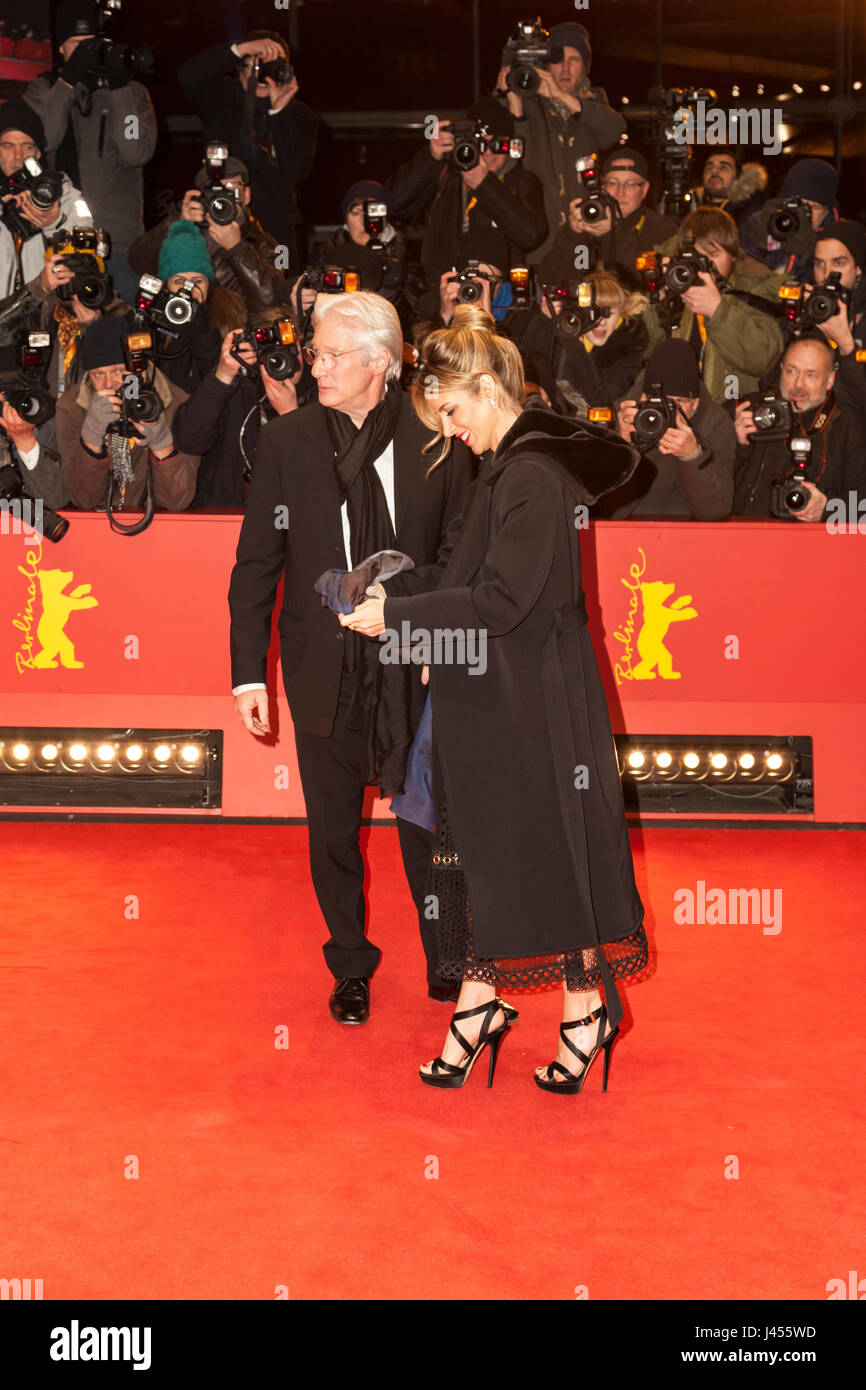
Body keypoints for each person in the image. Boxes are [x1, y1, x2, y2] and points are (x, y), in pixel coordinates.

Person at [345, 304, 648, 1090]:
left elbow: (502, 599)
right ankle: (499, 1004)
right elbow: (463, 581)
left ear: (485, 388)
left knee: (546, 851)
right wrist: (397, 600)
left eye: (449, 410)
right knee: (492, 854)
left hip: (534, 703)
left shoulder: (533, 477)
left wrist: (402, 617)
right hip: (502, 697)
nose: (448, 430)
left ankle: (578, 1009)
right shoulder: (506, 472)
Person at [227, 292, 475, 1023]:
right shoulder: (288, 441)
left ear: (380, 364)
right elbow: (256, 566)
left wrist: (428, 624)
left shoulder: (438, 435)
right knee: (332, 828)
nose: (317, 367)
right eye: (315, 353)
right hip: (322, 663)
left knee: (427, 819)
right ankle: (349, 962)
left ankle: (448, 958)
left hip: (417, 658)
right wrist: (248, 672)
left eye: (332, 356)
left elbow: (462, 549)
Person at [23, 0, 157, 304]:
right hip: (56, 239)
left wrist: (120, 87)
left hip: (118, 245)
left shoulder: (132, 94)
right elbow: (44, 141)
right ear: (60, 48)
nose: (87, 53)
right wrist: (68, 81)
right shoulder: (44, 89)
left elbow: (134, 149)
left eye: (91, 45)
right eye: (77, 46)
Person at [178, 29, 318, 272]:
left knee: (280, 300)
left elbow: (296, 171)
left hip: (274, 226)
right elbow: (188, 75)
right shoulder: (223, 99)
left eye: (271, 68)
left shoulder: (300, 116)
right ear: (239, 71)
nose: (264, 76)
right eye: (256, 67)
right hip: (220, 215)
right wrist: (242, 49)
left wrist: (279, 113)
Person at [496, 21, 625, 266]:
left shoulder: (594, 102)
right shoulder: (530, 102)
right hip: (539, 240)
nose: (565, 68)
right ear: (545, 64)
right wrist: (511, 94)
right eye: (557, 59)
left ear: (585, 67)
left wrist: (558, 94)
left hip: (585, 236)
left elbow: (615, 129)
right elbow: (511, 156)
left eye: (574, 59)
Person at [387, 96, 547, 289]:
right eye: (480, 145)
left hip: (499, 295)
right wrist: (431, 157)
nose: (488, 153)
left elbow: (531, 236)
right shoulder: (447, 175)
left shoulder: (522, 180)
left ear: (511, 145)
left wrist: (484, 184)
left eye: (497, 144)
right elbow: (396, 205)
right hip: (445, 289)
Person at [57, 312, 200, 511]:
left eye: (119, 371)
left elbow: (178, 501)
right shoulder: (72, 407)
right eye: (98, 374)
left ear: (140, 368)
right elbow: (83, 499)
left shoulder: (177, 403)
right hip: (95, 528)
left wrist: (162, 444)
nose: (109, 383)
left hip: (160, 528)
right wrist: (91, 438)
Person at [645, 207, 785, 403]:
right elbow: (643, 350)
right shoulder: (675, 291)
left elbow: (761, 359)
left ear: (733, 255)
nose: (703, 264)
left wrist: (717, 310)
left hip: (730, 415)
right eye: (694, 256)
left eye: (712, 255)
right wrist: (657, 300)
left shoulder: (754, 292)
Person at [172, 307, 308, 508]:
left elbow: (317, 478)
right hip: (225, 519)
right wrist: (222, 375)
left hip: (289, 524)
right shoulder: (233, 393)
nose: (280, 359)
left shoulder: (322, 396)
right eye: (271, 352)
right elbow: (189, 441)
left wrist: (290, 414)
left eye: (289, 349)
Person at [127, 156, 291, 318]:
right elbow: (137, 263)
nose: (223, 197)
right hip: (188, 325)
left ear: (246, 194)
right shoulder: (190, 235)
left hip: (241, 334)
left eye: (231, 188)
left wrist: (237, 249)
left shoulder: (272, 246)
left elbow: (275, 301)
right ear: (203, 197)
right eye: (214, 191)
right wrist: (177, 224)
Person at [732, 335, 866, 519]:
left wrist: (827, 508)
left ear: (830, 379)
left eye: (811, 375)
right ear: (781, 370)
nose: (798, 384)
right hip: (746, 534)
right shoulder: (749, 410)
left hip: (816, 543)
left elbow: (863, 504)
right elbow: (709, 493)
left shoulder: (849, 425)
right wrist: (737, 445)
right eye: (791, 371)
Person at [607, 338, 735, 519]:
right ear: (644, 397)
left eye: (678, 403)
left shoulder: (715, 424)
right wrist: (623, 446)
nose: (668, 412)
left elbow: (715, 511)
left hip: (687, 538)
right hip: (628, 533)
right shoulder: (624, 416)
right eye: (661, 402)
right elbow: (608, 510)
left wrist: (693, 456)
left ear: (695, 402)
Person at [540, 146, 678, 289]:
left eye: (630, 185)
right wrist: (573, 236)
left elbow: (645, 283)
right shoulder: (589, 223)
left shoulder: (661, 229)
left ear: (644, 190)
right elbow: (550, 281)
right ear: (602, 186)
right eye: (612, 183)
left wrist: (612, 234)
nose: (620, 192)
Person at [0, 97, 92, 310]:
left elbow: (87, 245)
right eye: (7, 146)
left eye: (27, 146)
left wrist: (54, 223)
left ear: (39, 152)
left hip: (46, 316)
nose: (18, 156)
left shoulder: (64, 193)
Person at [796, 220, 866, 418]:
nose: (827, 275)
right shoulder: (812, 307)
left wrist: (846, 346)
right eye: (819, 264)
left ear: (858, 267)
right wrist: (796, 328)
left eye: (838, 263)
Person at [692, 148, 768, 226]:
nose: (714, 171)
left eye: (723, 167)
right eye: (709, 168)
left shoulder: (751, 215)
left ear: (737, 177)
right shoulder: (690, 210)